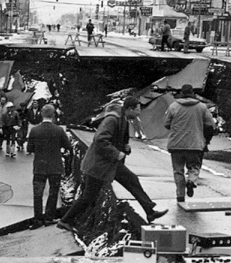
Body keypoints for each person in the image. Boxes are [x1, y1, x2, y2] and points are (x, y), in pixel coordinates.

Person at [57, 98, 168, 232]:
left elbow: (119, 139)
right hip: (98, 165)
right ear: (130, 109)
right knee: (88, 196)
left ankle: (150, 211)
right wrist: (116, 153)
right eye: (138, 109)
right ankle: (65, 220)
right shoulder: (112, 120)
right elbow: (100, 139)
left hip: (110, 164)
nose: (139, 113)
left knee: (132, 180)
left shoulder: (124, 119)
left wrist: (125, 147)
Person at [163, 84, 215, 203]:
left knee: (178, 171)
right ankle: (191, 180)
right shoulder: (202, 107)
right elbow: (211, 125)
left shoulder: (173, 106)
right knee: (194, 166)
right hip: (195, 144)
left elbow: (166, 124)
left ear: (181, 93)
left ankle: (180, 196)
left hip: (176, 144)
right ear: (193, 93)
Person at [26, 104, 72, 229]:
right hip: (55, 166)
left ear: (41, 114)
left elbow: (29, 148)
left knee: (38, 193)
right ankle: (49, 217)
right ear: (53, 115)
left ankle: (37, 219)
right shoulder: (59, 130)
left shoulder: (34, 130)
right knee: (53, 192)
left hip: (39, 166)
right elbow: (68, 146)